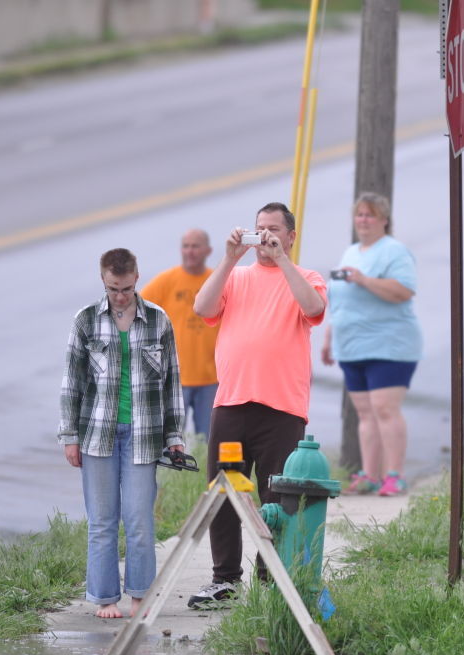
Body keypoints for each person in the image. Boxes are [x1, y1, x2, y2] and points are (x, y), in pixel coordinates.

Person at [188, 202, 327, 608]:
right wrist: (229, 260)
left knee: (276, 500)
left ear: (290, 236)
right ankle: (225, 579)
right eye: (259, 228)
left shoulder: (307, 277)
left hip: (281, 408)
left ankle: (270, 581)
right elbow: (202, 308)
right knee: (225, 492)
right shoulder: (237, 276)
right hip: (231, 401)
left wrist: (283, 261)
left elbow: (313, 309)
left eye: (273, 229)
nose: (265, 236)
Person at [58, 248, 185, 618]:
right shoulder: (85, 321)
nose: (120, 296)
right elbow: (72, 383)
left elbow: (172, 384)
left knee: (139, 519)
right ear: (103, 280)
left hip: (144, 436)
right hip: (98, 434)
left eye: (127, 288)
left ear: (136, 278)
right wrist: (69, 436)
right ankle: (105, 598)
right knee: (102, 520)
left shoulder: (158, 321)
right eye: (114, 288)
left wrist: (175, 436)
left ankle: (141, 594)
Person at [320, 192, 422, 497]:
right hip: (351, 345)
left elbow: (404, 291)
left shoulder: (394, 251)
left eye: (370, 215)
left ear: (384, 220)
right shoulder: (351, 252)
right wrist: (329, 336)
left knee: (385, 409)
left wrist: (365, 280)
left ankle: (395, 475)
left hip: (389, 345)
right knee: (364, 413)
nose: (363, 220)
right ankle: (370, 474)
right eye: (359, 215)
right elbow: (339, 301)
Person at [140, 228, 219, 439]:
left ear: (208, 250)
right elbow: (137, 311)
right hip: (174, 378)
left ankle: (204, 472)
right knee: (170, 438)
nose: (190, 251)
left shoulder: (216, 281)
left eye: (195, 246)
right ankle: (170, 472)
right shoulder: (167, 281)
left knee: (209, 439)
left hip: (211, 378)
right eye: (186, 246)